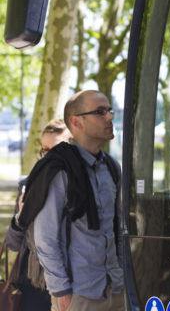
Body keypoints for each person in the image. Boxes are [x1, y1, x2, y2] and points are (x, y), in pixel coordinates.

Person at [32, 90, 124, 311]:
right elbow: (45, 239)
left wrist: (123, 275)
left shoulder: (112, 167)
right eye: (100, 112)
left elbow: (118, 230)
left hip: (116, 290)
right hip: (78, 295)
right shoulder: (59, 169)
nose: (110, 117)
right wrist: (62, 292)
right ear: (76, 121)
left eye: (109, 110)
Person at [6, 118, 72, 311]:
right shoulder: (27, 185)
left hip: (69, 281)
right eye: (44, 150)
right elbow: (12, 243)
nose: (48, 157)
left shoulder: (80, 187)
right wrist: (20, 217)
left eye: (55, 150)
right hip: (32, 283)